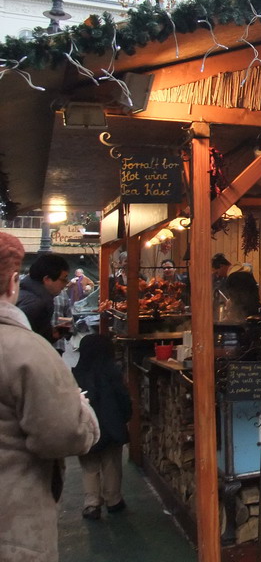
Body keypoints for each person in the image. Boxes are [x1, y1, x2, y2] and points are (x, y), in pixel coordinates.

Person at [0, 231, 100, 561]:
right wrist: (83, 413)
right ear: (13, 281)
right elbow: (62, 435)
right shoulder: (26, 350)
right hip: (14, 523)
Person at [73, 334, 132, 520]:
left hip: (86, 427)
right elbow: (123, 399)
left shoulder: (76, 373)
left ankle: (91, 504)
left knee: (89, 466)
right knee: (112, 463)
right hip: (111, 426)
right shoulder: (113, 372)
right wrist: (125, 417)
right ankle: (113, 500)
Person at [17, 251, 70, 344]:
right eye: (63, 279)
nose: (66, 283)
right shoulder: (36, 303)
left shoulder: (25, 293)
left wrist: (50, 333)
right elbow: (21, 340)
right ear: (47, 279)